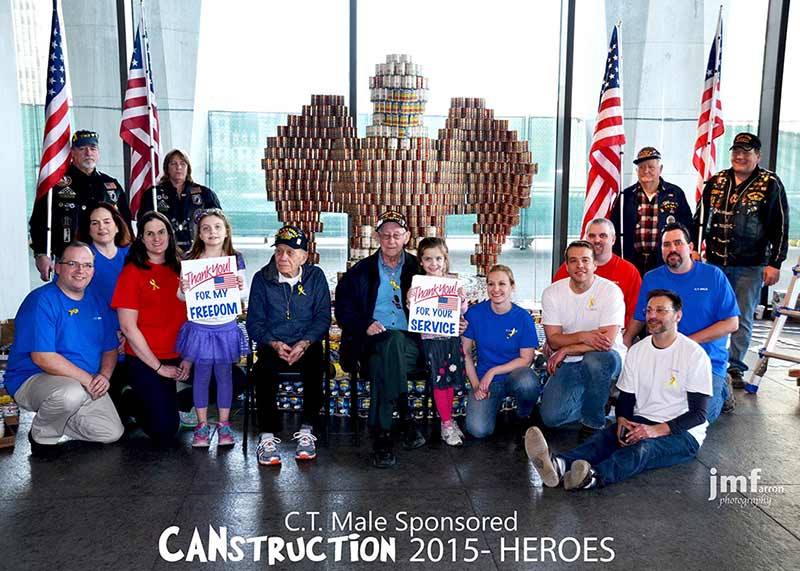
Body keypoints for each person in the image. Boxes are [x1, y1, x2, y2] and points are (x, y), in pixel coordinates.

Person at [526, 289, 713, 490]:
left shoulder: (694, 355)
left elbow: (698, 414)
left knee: (643, 450)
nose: (652, 316)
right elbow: (627, 397)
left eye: (660, 310)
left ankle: (592, 477)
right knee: (606, 437)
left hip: (683, 433)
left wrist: (654, 431)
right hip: (643, 419)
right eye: (649, 310)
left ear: (678, 316)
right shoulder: (638, 351)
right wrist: (623, 419)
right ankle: (559, 465)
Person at [4, 241, 124, 454]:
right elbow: (43, 357)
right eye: (73, 264)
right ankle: (42, 437)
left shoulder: (96, 301)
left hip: (82, 382)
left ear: (93, 270)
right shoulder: (41, 300)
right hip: (33, 379)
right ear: (58, 268)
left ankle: (57, 417)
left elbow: (110, 348)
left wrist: (103, 377)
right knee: (69, 395)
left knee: (110, 432)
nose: (81, 271)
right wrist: (88, 380)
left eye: (87, 265)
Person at [694, 132, 789, 389]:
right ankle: (708, 360)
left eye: (746, 152)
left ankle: (735, 366)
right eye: (736, 151)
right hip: (714, 262)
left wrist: (775, 263)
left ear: (757, 156)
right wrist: (694, 247)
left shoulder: (770, 183)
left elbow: (780, 226)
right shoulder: (717, 181)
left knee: (743, 316)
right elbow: (699, 218)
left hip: (752, 263)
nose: (740, 156)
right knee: (711, 313)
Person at [335, 211, 424, 468]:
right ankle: (405, 415)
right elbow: (343, 310)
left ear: (407, 237)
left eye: (397, 235)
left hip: (410, 342)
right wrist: (365, 324)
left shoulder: (419, 268)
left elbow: (443, 302)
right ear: (376, 238)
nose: (391, 240)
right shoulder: (360, 272)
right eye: (385, 235)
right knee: (387, 349)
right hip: (370, 341)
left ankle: (382, 435)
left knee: (390, 350)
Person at [624, 223, 739, 420]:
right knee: (649, 411)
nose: (672, 249)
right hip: (661, 359)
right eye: (666, 245)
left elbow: (732, 323)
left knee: (699, 417)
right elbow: (640, 316)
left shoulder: (713, 276)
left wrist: (687, 343)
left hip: (706, 360)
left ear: (691, 247)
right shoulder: (652, 278)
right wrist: (625, 342)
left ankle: (722, 386)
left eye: (678, 243)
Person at [246, 225, 331, 465]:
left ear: (304, 256)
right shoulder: (262, 279)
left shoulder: (315, 277)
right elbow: (254, 322)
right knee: (263, 371)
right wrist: (273, 343)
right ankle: (267, 435)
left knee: (316, 366)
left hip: (306, 342)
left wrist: (304, 342)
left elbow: (323, 317)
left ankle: (307, 431)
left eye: (291, 252)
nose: (283, 257)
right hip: (273, 343)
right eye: (279, 251)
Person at [111, 212, 191, 442]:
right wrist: (158, 368)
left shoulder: (184, 268)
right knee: (164, 430)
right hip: (147, 359)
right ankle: (131, 399)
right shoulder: (132, 272)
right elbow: (128, 327)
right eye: (150, 233)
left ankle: (177, 401)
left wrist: (190, 358)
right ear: (142, 239)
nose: (157, 238)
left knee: (234, 378)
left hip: (182, 355)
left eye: (161, 232)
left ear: (170, 235)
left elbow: (199, 315)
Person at [540, 240, 626, 442]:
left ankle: (593, 423)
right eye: (574, 261)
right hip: (572, 362)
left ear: (595, 265)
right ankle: (599, 397)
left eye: (586, 260)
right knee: (551, 417)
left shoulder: (609, 291)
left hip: (607, 358)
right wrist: (582, 336)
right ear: (567, 266)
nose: (580, 266)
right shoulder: (552, 293)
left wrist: (567, 348)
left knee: (595, 361)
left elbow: (606, 342)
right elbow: (553, 340)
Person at [177, 209, 249, 448]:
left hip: (225, 326)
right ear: (199, 233)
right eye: (206, 228)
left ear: (226, 231)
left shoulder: (234, 258)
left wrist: (238, 285)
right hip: (200, 327)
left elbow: (241, 294)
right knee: (202, 376)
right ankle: (201, 425)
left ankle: (224, 424)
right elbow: (180, 296)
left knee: (225, 376)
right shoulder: (190, 259)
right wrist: (185, 288)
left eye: (217, 227)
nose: (212, 232)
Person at [30, 130, 132, 281]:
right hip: (70, 258)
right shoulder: (55, 185)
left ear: (98, 153)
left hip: (108, 258)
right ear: (72, 152)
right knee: (70, 301)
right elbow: (39, 222)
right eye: (82, 149)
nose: (88, 153)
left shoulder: (111, 185)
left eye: (92, 148)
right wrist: (41, 254)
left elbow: (125, 223)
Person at [462, 265, 539, 440]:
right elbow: (465, 352)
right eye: (491, 284)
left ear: (512, 287)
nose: (496, 289)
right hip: (486, 382)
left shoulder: (523, 318)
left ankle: (524, 416)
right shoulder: (474, 313)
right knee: (478, 430)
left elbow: (526, 359)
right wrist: (476, 386)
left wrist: (493, 371)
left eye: (502, 284)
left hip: (515, 376)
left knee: (528, 381)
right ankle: (493, 407)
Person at [80, 203, 133, 425]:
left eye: (107, 221)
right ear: (88, 229)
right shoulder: (81, 259)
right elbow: (76, 309)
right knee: (116, 420)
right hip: (98, 343)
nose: (101, 227)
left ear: (118, 226)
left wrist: (128, 333)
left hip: (132, 338)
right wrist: (113, 336)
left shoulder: (131, 256)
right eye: (95, 223)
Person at [413, 237, 468, 446]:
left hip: (450, 340)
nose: (433, 263)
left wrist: (462, 301)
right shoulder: (418, 285)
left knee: (450, 381)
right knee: (439, 381)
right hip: (431, 341)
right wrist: (411, 298)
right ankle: (445, 423)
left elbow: (461, 313)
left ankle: (448, 418)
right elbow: (414, 311)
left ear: (445, 260)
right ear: (421, 261)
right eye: (428, 259)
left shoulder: (452, 284)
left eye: (438, 258)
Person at [609, 147, 693, 276]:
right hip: (632, 260)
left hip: (664, 260)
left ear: (660, 169)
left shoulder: (675, 193)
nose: (646, 171)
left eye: (651, 167)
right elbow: (614, 226)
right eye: (641, 167)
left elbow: (687, 225)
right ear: (637, 170)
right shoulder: (626, 196)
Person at [552, 218, 641, 329]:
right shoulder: (570, 269)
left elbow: (636, 313)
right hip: (572, 336)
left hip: (616, 338)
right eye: (592, 236)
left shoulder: (629, 271)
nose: (597, 240)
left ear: (613, 239)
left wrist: (626, 341)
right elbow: (554, 306)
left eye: (603, 236)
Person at [137, 149, 221, 253]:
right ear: (167, 168)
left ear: (188, 168)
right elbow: (143, 224)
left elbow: (219, 223)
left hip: (198, 250)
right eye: (173, 163)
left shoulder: (204, 193)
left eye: (183, 163)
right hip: (165, 251)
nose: (178, 167)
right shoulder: (153, 194)